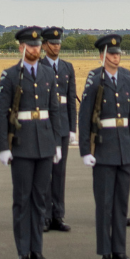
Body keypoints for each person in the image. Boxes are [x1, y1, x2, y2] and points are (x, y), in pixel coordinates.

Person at [0, 25, 66, 259]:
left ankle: (37, 251)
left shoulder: (47, 75)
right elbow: (1, 112)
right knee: (22, 201)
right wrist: (3, 146)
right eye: (30, 45)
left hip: (44, 144)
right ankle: (23, 253)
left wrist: (56, 142)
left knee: (39, 201)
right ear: (21, 47)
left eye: (37, 45)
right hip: (22, 146)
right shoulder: (10, 75)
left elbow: (54, 110)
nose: (35, 49)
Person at [79, 33, 130, 259]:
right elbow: (84, 117)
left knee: (121, 204)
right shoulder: (95, 80)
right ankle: (105, 253)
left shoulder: (127, 79)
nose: (116, 57)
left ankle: (120, 251)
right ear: (102, 56)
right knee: (104, 203)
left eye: (118, 53)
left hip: (123, 146)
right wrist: (86, 150)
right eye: (112, 54)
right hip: (103, 147)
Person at [40, 26, 77, 232]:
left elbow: (71, 99)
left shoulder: (67, 67)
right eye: (52, 43)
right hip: (45, 126)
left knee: (60, 173)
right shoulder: (39, 66)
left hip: (62, 125)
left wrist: (73, 128)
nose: (56, 46)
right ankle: (45, 215)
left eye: (58, 43)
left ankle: (58, 215)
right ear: (44, 45)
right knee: (46, 173)